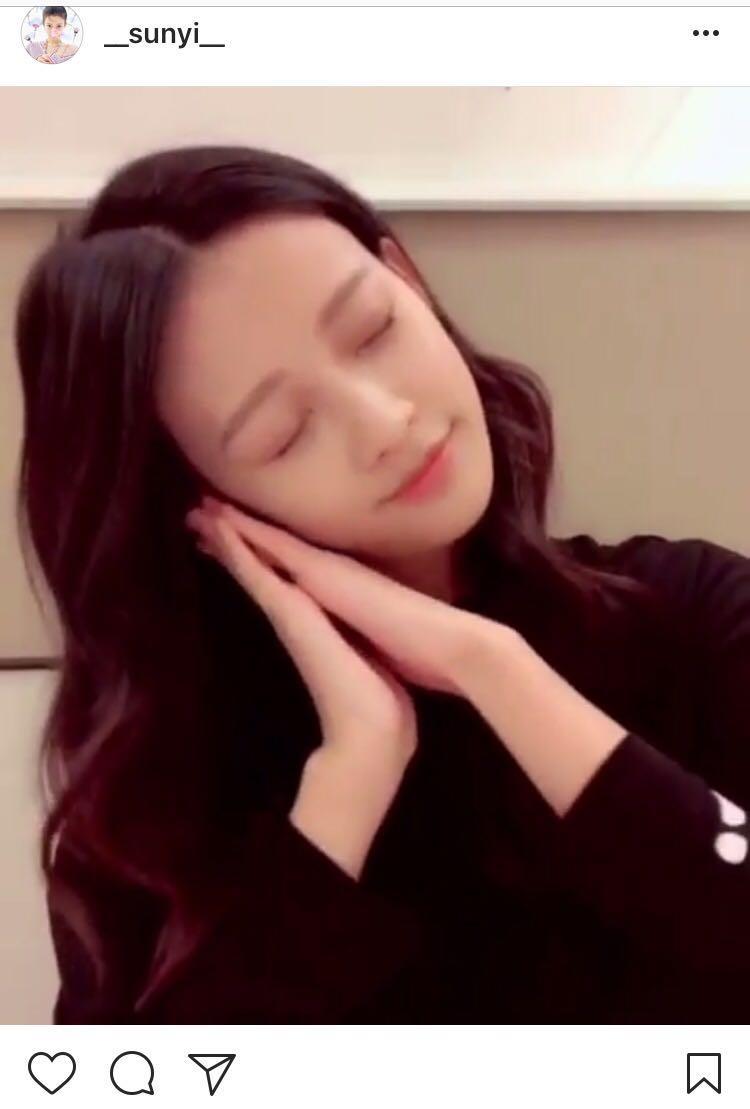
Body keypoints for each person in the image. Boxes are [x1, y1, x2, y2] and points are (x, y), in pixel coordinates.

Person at [13, 144, 750, 1024]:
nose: (385, 424)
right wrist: (347, 785)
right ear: (202, 506)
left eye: (373, 331)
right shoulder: (150, 815)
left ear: (406, 277)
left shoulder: (691, 613)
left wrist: (494, 670)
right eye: (285, 434)